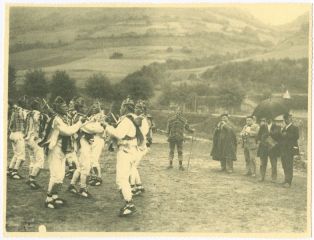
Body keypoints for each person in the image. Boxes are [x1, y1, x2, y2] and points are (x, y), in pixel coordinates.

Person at [101, 97, 143, 217]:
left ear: (125, 107)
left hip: (125, 151)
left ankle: (129, 204)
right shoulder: (133, 119)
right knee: (123, 180)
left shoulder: (126, 120)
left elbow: (119, 134)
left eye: (121, 107)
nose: (120, 109)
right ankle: (127, 199)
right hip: (132, 151)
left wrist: (106, 126)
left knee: (122, 180)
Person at [43, 96, 85, 209]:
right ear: (58, 108)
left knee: (60, 176)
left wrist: (84, 122)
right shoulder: (56, 119)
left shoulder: (63, 117)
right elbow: (68, 131)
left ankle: (55, 196)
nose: (66, 107)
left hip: (62, 150)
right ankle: (48, 199)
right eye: (64, 106)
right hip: (55, 150)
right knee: (55, 176)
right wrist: (80, 122)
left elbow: (72, 129)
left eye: (66, 105)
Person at [68, 97, 104, 198]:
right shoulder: (80, 118)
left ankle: (72, 185)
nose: (85, 108)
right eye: (83, 107)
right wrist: (101, 126)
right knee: (86, 166)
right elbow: (91, 129)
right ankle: (83, 189)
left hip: (80, 144)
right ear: (80, 108)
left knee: (80, 167)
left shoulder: (78, 116)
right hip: (81, 144)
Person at [24, 98, 47, 189]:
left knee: (32, 160)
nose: (41, 107)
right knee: (40, 162)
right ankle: (31, 179)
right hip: (35, 139)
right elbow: (39, 120)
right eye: (39, 105)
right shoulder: (37, 114)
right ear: (37, 106)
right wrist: (43, 112)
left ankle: (31, 179)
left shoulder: (28, 113)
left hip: (27, 138)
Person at [130, 100, 150, 196]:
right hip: (138, 145)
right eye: (135, 107)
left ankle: (132, 187)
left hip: (140, 146)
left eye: (139, 108)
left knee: (132, 166)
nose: (136, 109)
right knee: (133, 166)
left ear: (143, 110)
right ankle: (139, 185)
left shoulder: (142, 119)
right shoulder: (138, 118)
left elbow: (140, 133)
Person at [8, 97, 28, 179]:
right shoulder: (22, 111)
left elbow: (10, 124)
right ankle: (15, 172)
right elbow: (25, 118)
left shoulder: (14, 110)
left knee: (16, 154)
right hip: (18, 134)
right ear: (22, 104)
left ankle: (9, 170)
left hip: (12, 133)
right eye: (25, 103)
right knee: (21, 156)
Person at [257, 118, 282, 182]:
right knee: (262, 163)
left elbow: (279, 137)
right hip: (264, 147)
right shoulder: (262, 126)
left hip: (273, 148)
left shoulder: (276, 127)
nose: (267, 119)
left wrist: (271, 134)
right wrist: (261, 139)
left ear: (272, 118)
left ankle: (273, 178)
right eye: (266, 117)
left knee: (273, 163)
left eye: (269, 117)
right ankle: (262, 177)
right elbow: (258, 136)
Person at [280, 113, 299, 188]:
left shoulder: (294, 127)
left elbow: (296, 136)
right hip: (283, 149)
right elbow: (282, 137)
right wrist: (281, 132)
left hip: (290, 149)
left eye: (289, 118)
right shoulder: (284, 128)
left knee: (289, 165)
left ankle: (288, 182)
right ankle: (285, 179)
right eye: (286, 119)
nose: (288, 120)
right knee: (284, 164)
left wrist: (286, 134)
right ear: (285, 120)